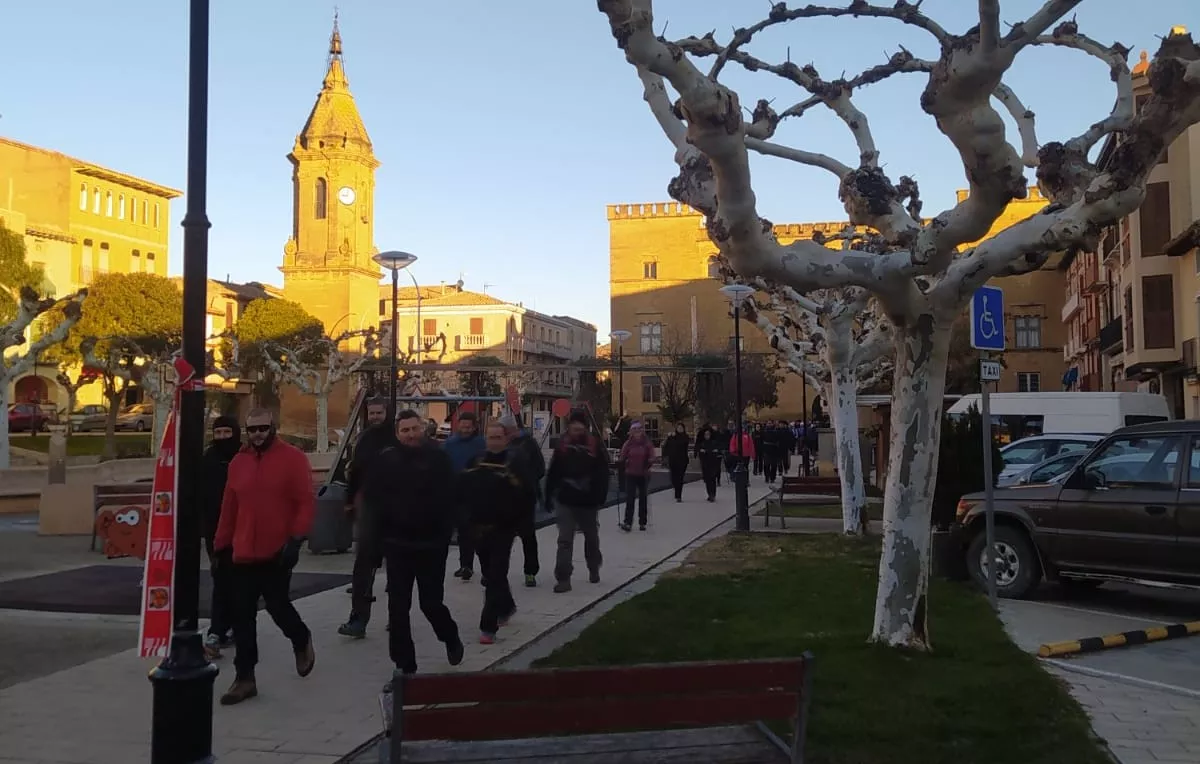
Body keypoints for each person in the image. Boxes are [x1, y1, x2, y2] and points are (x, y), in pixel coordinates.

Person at [213, 408, 316, 706]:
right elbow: (229, 508)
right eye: (252, 429)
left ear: (273, 428)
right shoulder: (239, 462)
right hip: (242, 552)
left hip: (276, 551)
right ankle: (245, 677)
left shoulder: (293, 459)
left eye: (263, 428)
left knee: (277, 606)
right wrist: (220, 547)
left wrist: (296, 539)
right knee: (242, 615)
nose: (257, 434)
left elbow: (304, 503)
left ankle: (300, 638)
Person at [362, 409, 463, 681]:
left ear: (423, 429)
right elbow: (373, 504)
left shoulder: (438, 459)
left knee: (430, 604)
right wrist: (373, 544)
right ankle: (405, 665)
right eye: (404, 431)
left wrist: (445, 533)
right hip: (397, 545)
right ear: (397, 434)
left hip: (431, 546)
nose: (410, 435)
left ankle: (450, 637)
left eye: (414, 429)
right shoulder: (386, 461)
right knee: (397, 608)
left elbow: (451, 499)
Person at [460, 421, 536, 643]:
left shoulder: (516, 462)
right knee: (490, 573)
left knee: (495, 576)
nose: (493, 441)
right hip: (479, 528)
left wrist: (522, 523)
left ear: (505, 439)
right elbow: (462, 488)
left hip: (505, 528)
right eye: (490, 437)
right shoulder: (477, 461)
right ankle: (507, 606)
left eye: (497, 437)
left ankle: (488, 627)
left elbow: (528, 494)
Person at [337, 398, 392, 638]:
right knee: (363, 567)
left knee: (399, 568)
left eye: (379, 412)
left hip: (397, 509)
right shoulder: (365, 440)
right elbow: (355, 472)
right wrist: (349, 501)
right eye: (372, 413)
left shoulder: (397, 437)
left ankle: (398, 616)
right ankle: (358, 619)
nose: (376, 417)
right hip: (370, 508)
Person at [545, 410, 610, 593]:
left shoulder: (594, 445)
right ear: (569, 426)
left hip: (588, 500)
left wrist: (600, 495)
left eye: (580, 424)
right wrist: (549, 494)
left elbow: (602, 472)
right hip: (565, 498)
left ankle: (593, 565)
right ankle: (563, 577)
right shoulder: (562, 445)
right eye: (574, 424)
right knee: (565, 539)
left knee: (591, 536)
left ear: (585, 426)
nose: (577, 428)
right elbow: (554, 471)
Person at [201, 415, 240, 659]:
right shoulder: (207, 460)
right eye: (219, 433)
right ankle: (218, 630)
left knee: (240, 582)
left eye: (228, 432)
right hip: (215, 531)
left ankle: (229, 627)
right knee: (221, 579)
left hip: (242, 529)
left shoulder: (244, 459)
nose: (223, 438)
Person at [498, 415, 543, 587]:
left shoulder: (528, 444)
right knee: (501, 537)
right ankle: (497, 572)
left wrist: (527, 481)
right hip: (504, 499)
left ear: (509, 429)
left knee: (527, 536)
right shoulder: (502, 445)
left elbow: (540, 468)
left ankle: (530, 571)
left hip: (525, 497)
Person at [443, 411, 486, 581]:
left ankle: (484, 567)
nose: (466, 429)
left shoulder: (481, 444)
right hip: (455, 492)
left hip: (476, 493)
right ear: (458, 425)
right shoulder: (450, 444)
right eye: (463, 426)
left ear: (474, 427)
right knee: (463, 532)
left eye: (469, 427)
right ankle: (465, 565)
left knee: (477, 532)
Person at [618, 421, 655, 531]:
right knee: (630, 498)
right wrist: (620, 463)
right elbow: (622, 456)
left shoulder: (647, 443)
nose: (637, 432)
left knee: (643, 498)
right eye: (635, 430)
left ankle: (642, 522)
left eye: (639, 429)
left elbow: (652, 456)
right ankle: (628, 522)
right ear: (631, 432)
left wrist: (649, 462)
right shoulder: (628, 443)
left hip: (643, 474)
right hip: (631, 474)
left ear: (642, 431)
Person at [662, 422, 690, 502]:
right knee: (673, 478)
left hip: (682, 461)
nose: (680, 429)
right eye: (678, 428)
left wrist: (673, 437)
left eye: (681, 428)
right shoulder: (671, 437)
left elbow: (682, 443)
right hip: (673, 460)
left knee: (680, 478)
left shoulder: (685, 437)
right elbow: (666, 447)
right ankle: (676, 489)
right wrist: (668, 437)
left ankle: (678, 496)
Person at [695, 426, 723, 502]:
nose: (707, 436)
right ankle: (709, 493)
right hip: (705, 463)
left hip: (713, 463)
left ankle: (712, 494)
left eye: (708, 434)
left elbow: (719, 449)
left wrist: (716, 451)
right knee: (707, 480)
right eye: (706, 434)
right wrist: (701, 451)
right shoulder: (702, 443)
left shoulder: (714, 442)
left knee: (712, 478)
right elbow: (698, 449)